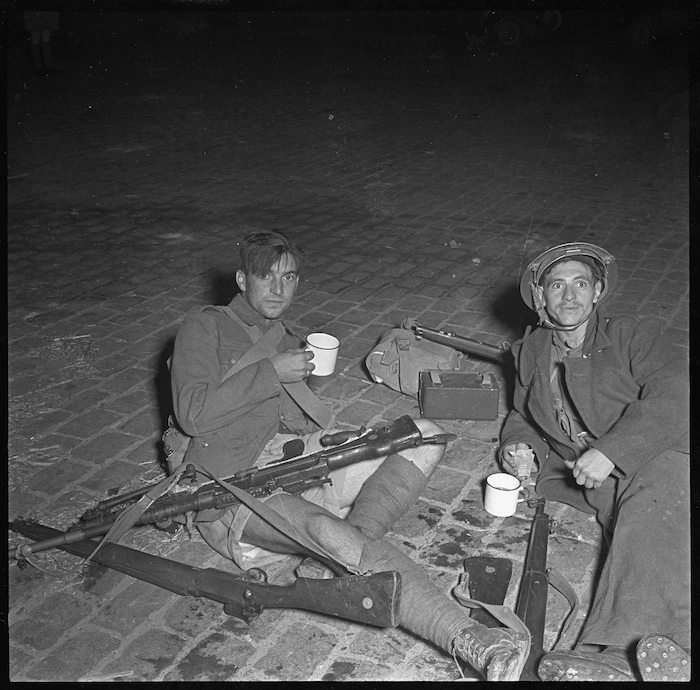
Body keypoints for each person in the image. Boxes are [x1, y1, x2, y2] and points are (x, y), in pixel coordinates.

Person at [169, 230, 529, 681]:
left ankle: (350, 551)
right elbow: (192, 414)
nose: (280, 289)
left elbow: (293, 422)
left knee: (424, 434)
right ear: (242, 280)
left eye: (290, 277)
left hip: (282, 459)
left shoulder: (282, 336)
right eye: (266, 277)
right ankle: (468, 637)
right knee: (327, 531)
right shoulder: (204, 327)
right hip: (224, 482)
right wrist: (270, 372)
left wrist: (306, 393)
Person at [498, 242, 690, 681]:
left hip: (661, 453)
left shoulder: (633, 334)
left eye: (580, 284)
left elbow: (678, 393)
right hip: (594, 479)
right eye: (557, 285)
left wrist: (612, 450)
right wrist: (522, 446)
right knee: (651, 533)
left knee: (655, 504)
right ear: (540, 297)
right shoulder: (532, 352)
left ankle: (616, 654)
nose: (570, 296)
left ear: (598, 291)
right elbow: (523, 414)